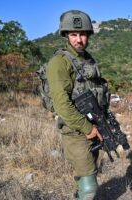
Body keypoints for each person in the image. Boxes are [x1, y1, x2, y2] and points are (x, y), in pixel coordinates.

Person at [46, 10, 107, 199]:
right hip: (76, 130)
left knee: (87, 177)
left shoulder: (88, 60)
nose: (79, 39)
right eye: (74, 34)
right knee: (89, 187)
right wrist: (86, 128)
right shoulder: (59, 62)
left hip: (94, 126)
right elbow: (61, 104)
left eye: (82, 34)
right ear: (66, 35)